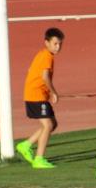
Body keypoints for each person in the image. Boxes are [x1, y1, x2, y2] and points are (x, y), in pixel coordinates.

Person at [16, 27, 64, 169]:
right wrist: (54, 92)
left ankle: (26, 145)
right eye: (55, 43)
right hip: (35, 95)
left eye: (60, 44)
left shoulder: (45, 55)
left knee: (52, 124)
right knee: (47, 125)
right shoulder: (47, 56)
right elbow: (45, 77)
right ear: (46, 43)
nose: (58, 47)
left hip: (39, 95)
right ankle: (39, 158)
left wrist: (49, 93)